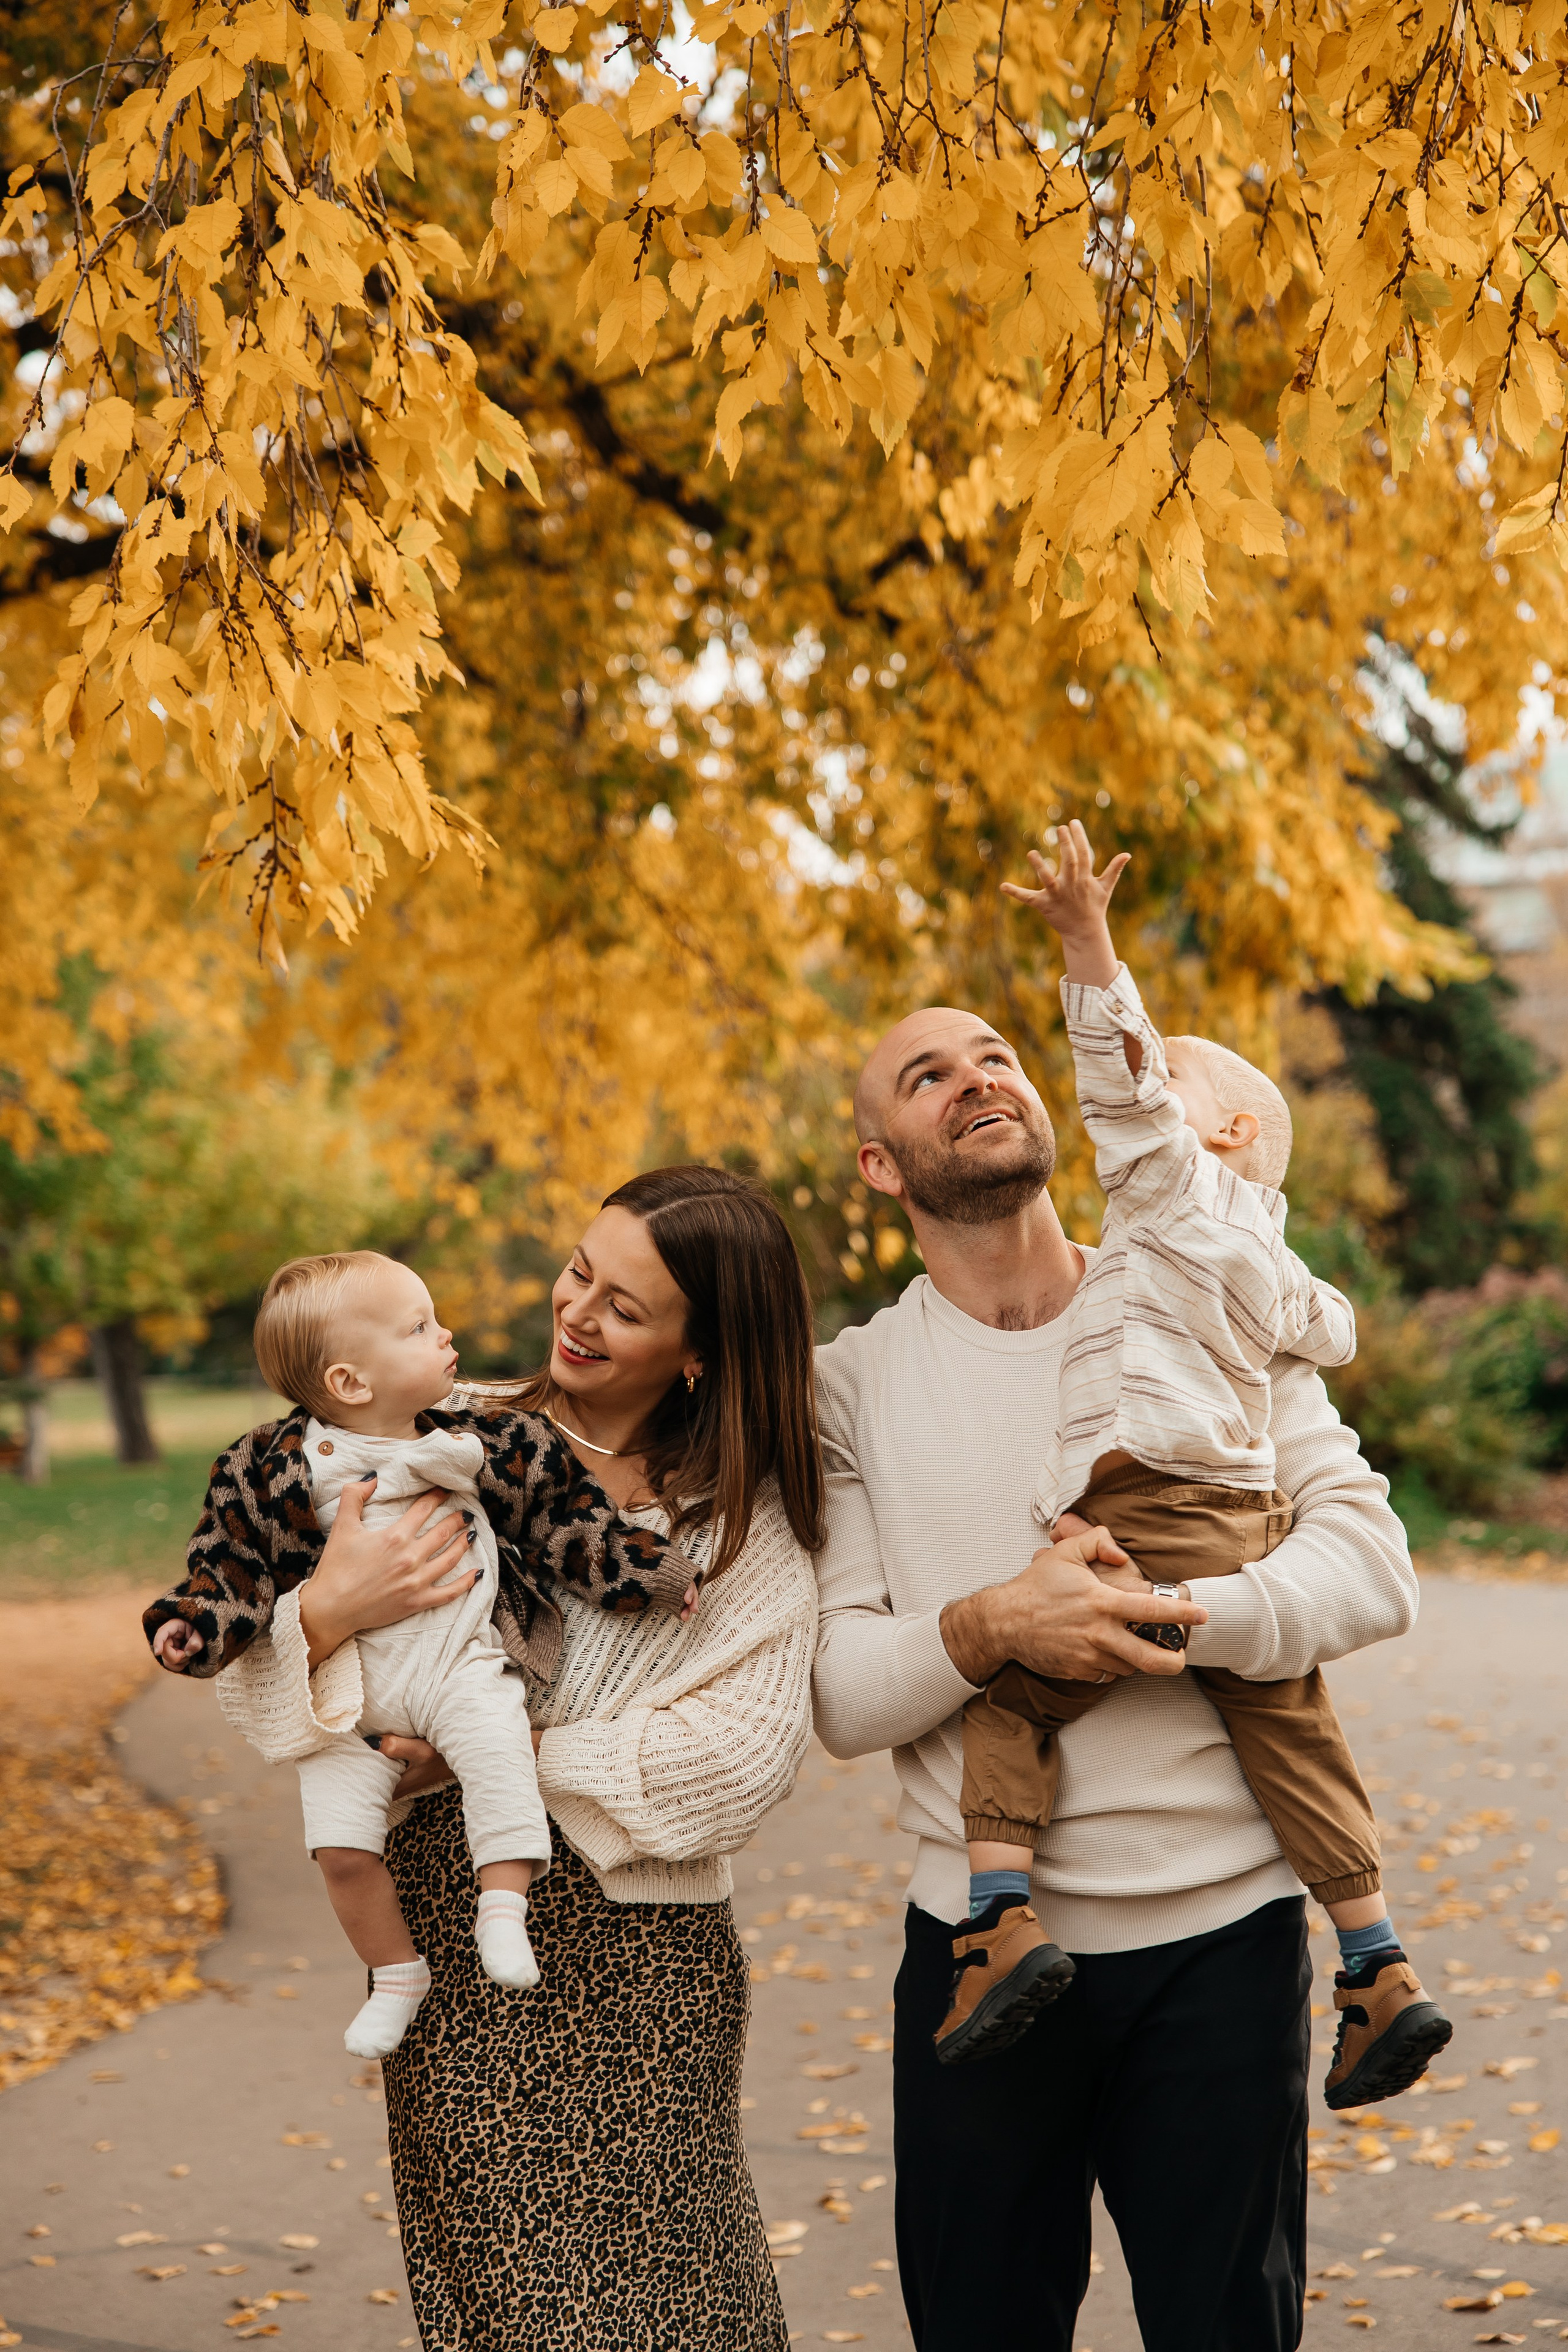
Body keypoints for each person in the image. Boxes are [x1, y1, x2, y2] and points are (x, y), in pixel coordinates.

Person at [812, 921, 1419, 2350]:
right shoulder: (849, 1382)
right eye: (924, 1075)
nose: (975, 1078)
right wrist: (990, 1626)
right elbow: (839, 1693)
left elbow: (1371, 1567)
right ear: (878, 1165)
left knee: (1227, 2329)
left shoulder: (1197, 1294)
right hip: (972, 1953)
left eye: (996, 1053)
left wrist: (1170, 1617)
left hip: (1224, 1938)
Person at [216, 1167, 821, 2351]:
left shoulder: (734, 1526)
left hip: (645, 1966)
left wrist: (501, 1755)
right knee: (507, 2312)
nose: (578, 1313)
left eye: (627, 1308)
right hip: (455, 1950)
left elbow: (737, 1764)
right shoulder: (440, 1433)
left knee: (696, 2313)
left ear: (702, 1351)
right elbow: (255, 1688)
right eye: (580, 1271)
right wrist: (328, 1614)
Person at [938, 826, 1450, 2116]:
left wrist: (1083, 943)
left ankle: (994, 1926)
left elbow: (1117, 1078)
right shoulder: (1272, 1263)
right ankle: (1375, 1961)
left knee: (1010, 1701)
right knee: (1287, 1723)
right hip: (1240, 1512)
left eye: (1177, 1088)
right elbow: (1329, 1328)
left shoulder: (1171, 1188)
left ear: (1215, 1132)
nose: (1148, 1095)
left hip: (1145, 1497)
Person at [143, 1250, 700, 2059]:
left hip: (456, 1667)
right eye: (418, 1327)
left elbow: (565, 1523)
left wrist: (647, 1572)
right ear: (351, 1382)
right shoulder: (265, 1468)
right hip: (349, 1700)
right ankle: (396, 1970)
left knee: (497, 1751)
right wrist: (192, 1624)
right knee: (338, 1847)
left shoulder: (490, 1440)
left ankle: (501, 1910)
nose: (447, 1335)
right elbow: (228, 1563)